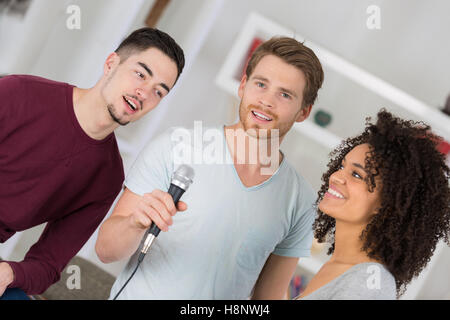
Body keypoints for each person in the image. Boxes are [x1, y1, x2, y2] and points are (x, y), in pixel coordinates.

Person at [95, 36, 325, 299]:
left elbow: (268, 296)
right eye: (260, 84)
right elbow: (105, 250)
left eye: (285, 94)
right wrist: (135, 224)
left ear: (304, 112)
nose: (266, 101)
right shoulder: (176, 147)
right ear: (243, 86)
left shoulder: (301, 200)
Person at [0, 27, 185, 299]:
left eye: (159, 91)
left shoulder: (106, 178)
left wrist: (10, 273)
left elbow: (48, 265)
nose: (144, 92)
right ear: (111, 64)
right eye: (140, 74)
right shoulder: (18, 94)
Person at [296, 109, 450, 300]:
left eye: (356, 175)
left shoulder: (370, 284)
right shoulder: (344, 267)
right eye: (342, 166)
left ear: (388, 203)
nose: (336, 177)